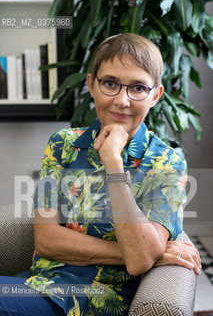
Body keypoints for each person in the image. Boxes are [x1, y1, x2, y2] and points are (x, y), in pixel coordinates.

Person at [0, 33, 201, 316]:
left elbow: (141, 257)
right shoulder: (62, 144)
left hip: (95, 301)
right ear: (91, 85)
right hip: (39, 286)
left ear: (155, 95)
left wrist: (113, 164)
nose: (122, 100)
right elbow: (46, 239)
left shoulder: (167, 163)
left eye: (138, 88)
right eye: (110, 84)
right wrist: (134, 253)